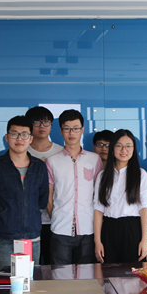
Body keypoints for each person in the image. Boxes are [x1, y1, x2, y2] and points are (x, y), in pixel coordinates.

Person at [0, 116, 49, 278]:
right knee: (2, 285)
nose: (19, 139)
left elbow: (43, 199)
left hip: (32, 238)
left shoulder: (39, 167)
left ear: (31, 138)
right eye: (14, 134)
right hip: (3, 239)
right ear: (7, 137)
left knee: (29, 284)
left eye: (24, 134)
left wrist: (30, 217)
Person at [46, 109, 103, 264]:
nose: (72, 133)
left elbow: (98, 196)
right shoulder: (52, 161)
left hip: (88, 228)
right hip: (60, 229)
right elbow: (49, 198)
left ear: (82, 130)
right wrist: (57, 217)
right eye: (67, 128)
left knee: (86, 274)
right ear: (61, 131)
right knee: (59, 274)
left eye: (76, 128)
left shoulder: (94, 160)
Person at [93, 129, 147, 264]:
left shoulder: (140, 175)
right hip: (108, 229)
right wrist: (97, 241)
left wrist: (144, 240)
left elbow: (144, 209)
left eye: (128, 146)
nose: (124, 150)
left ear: (134, 149)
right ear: (112, 148)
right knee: (108, 272)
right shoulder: (102, 176)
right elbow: (98, 209)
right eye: (119, 145)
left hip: (132, 230)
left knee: (132, 273)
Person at [25, 106, 63, 265]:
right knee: (28, 266)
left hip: (55, 221)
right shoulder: (22, 151)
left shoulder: (61, 152)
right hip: (28, 221)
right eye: (37, 122)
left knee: (53, 266)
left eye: (46, 122)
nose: (42, 126)